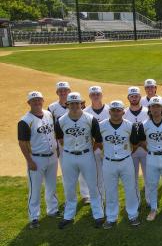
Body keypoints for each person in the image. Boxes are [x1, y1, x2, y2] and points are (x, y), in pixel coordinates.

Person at [55, 92, 105, 229]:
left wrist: (89, 149)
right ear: (67, 105)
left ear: (81, 104)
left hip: (87, 155)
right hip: (69, 156)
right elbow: (60, 139)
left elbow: (98, 140)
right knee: (69, 186)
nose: (75, 106)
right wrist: (71, 149)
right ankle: (68, 216)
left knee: (93, 186)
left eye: (77, 103)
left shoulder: (90, 119)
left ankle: (98, 214)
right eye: (72, 103)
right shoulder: (60, 120)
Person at [18, 91, 60, 229]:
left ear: (43, 100)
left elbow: (53, 133)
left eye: (39, 100)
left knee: (51, 185)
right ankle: (34, 217)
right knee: (35, 189)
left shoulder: (48, 114)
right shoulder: (25, 121)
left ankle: (53, 210)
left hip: (52, 156)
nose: (37, 102)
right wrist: (29, 161)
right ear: (29, 103)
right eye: (34, 100)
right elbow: (22, 143)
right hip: (37, 158)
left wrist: (57, 150)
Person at [100, 100, 143, 229]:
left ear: (123, 112)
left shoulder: (129, 125)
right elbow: (96, 141)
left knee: (130, 188)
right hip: (108, 162)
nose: (116, 113)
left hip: (126, 161)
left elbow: (135, 144)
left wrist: (127, 153)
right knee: (110, 190)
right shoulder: (101, 125)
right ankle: (111, 217)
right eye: (113, 110)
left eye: (118, 110)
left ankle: (133, 215)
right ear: (109, 112)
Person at [82, 85, 109, 200]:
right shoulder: (85, 112)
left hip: (108, 148)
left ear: (101, 95)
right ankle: (99, 197)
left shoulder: (110, 110)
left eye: (98, 94)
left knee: (108, 174)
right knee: (96, 174)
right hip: (93, 148)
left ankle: (108, 196)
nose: (96, 96)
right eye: (93, 94)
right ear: (89, 96)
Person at [124, 86, 149, 202]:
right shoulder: (123, 112)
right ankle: (135, 201)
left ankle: (150, 200)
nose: (134, 98)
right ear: (128, 97)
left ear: (140, 97)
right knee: (132, 178)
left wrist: (142, 144)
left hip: (146, 149)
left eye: (136, 96)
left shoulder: (147, 111)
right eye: (132, 96)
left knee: (149, 177)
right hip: (131, 150)